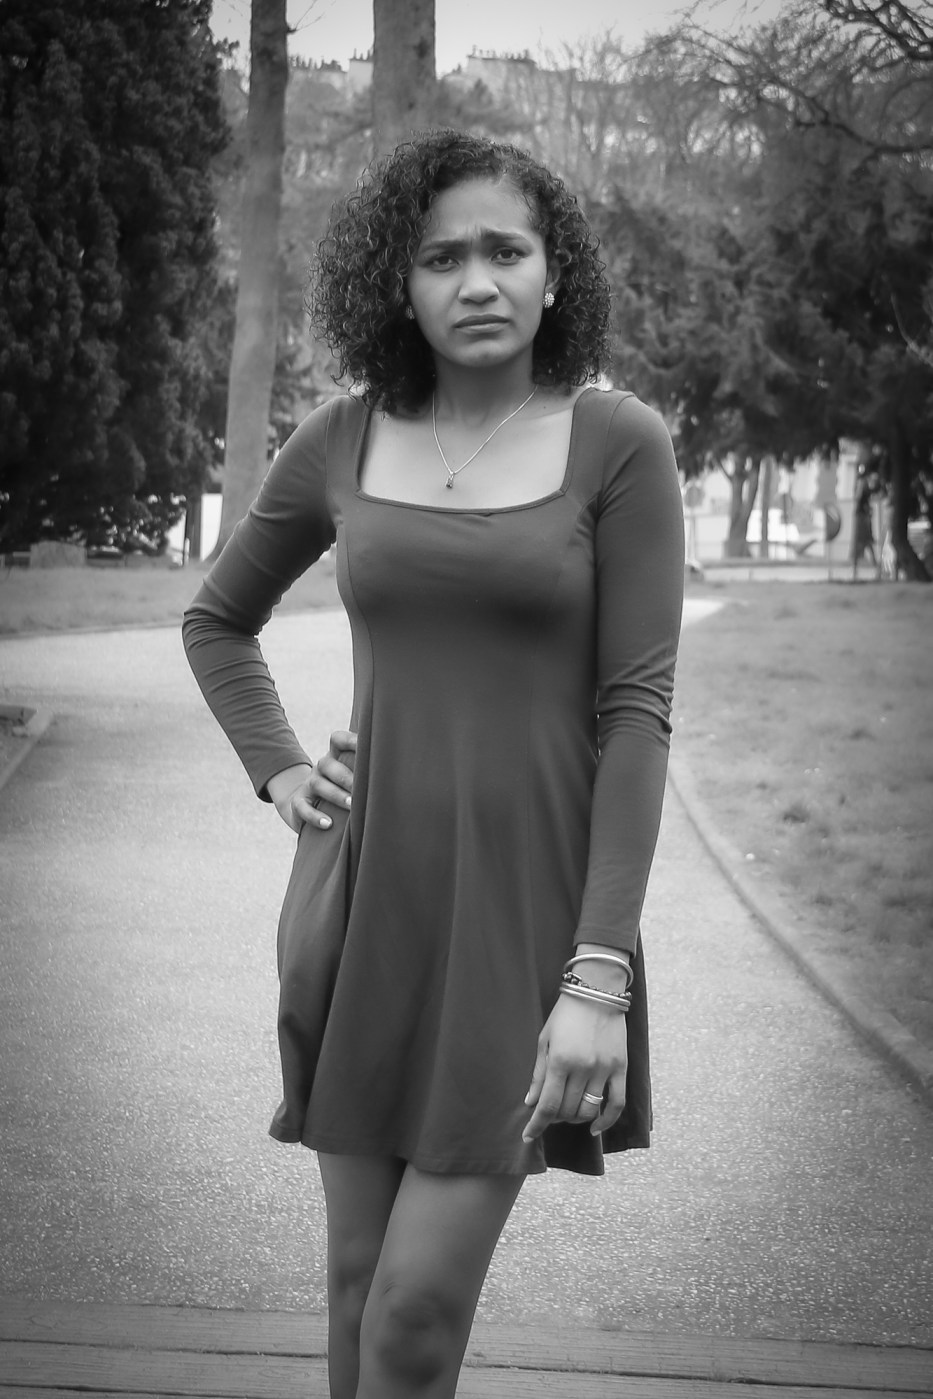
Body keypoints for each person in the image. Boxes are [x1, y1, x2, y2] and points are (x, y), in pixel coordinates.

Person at [183, 130, 684, 1399]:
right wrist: (280, 769)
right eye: (442, 258)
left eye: (506, 251)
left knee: (413, 1309)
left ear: (554, 274)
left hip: (523, 918)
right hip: (369, 900)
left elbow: (637, 715)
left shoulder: (618, 444)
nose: (478, 282)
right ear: (397, 286)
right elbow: (217, 620)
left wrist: (600, 973)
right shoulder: (342, 437)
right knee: (357, 1285)